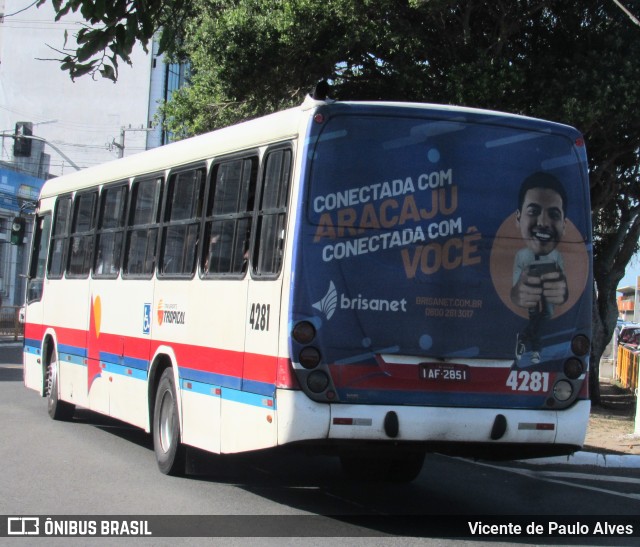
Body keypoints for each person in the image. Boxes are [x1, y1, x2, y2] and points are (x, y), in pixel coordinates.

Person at [511, 172, 569, 365]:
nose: (543, 223)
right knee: (536, 315)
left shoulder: (556, 255)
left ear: (564, 224)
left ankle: (524, 339)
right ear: (518, 218)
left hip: (547, 292)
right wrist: (520, 290)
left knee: (545, 315)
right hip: (533, 294)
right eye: (533, 211)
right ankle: (536, 350)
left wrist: (562, 291)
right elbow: (515, 288)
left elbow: (564, 288)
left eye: (553, 214)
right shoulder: (521, 255)